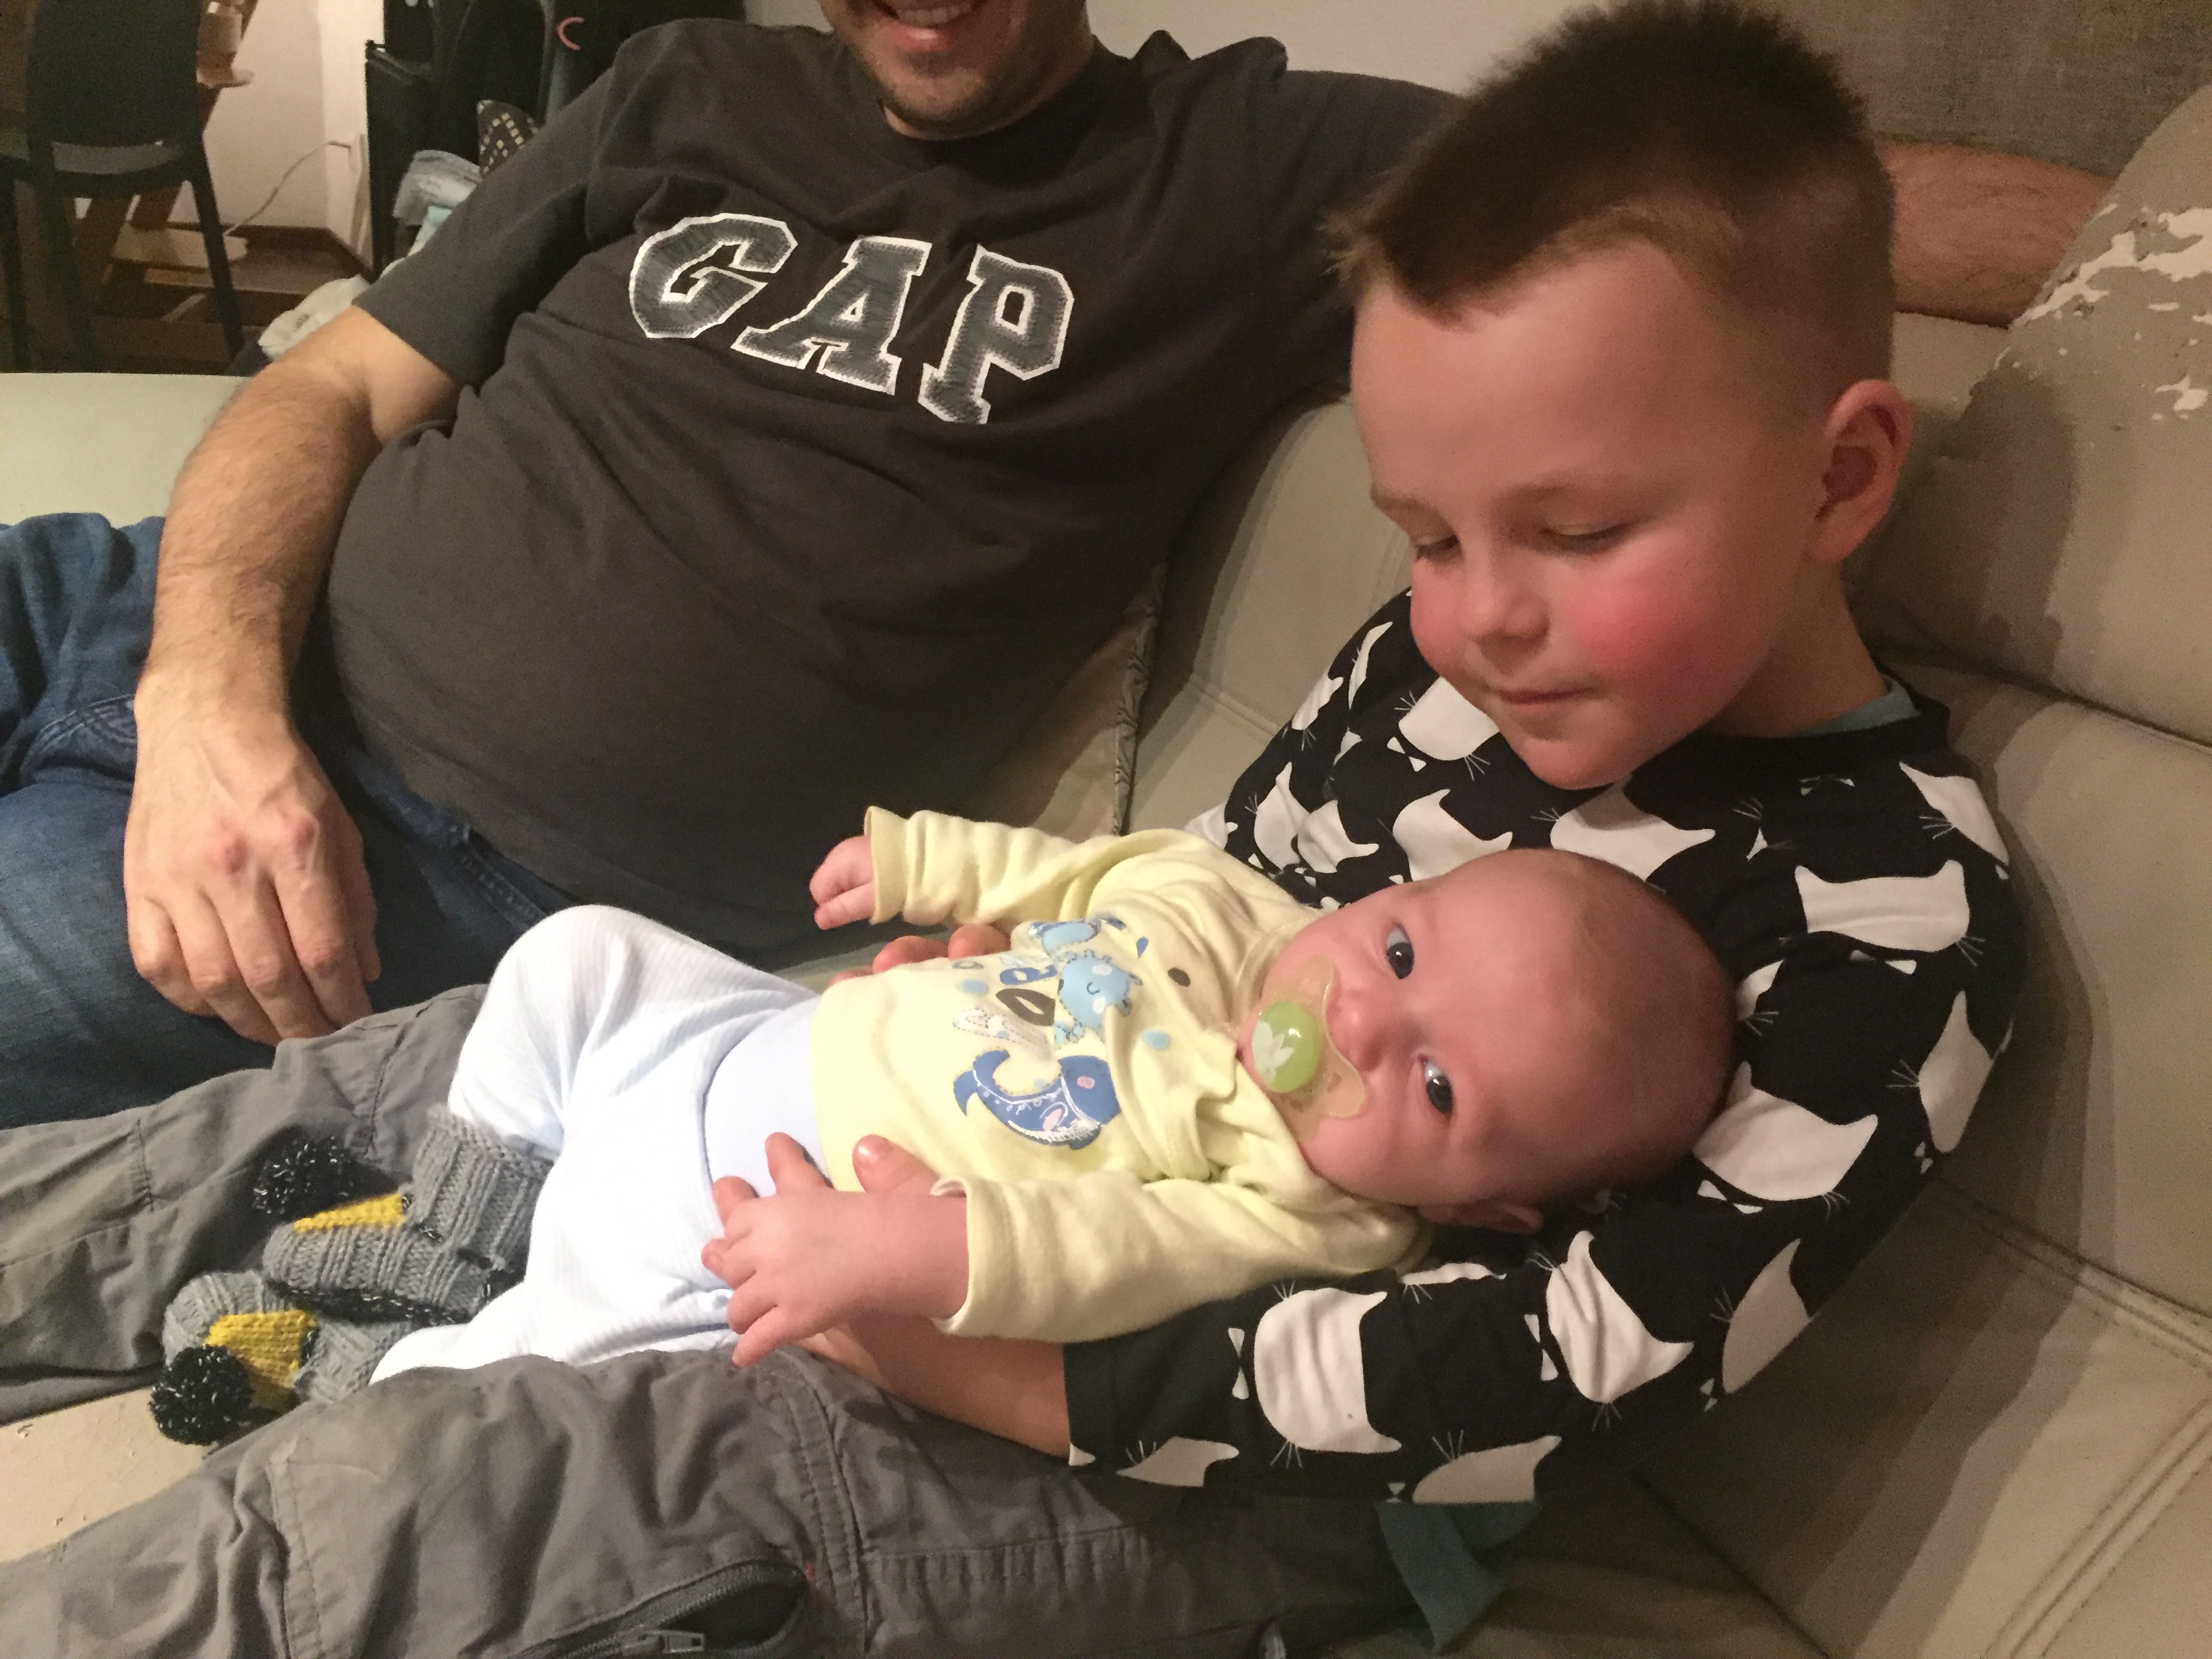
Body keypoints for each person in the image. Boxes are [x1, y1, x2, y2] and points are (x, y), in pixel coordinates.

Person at [0, 7, 2036, 1655]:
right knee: (411, 1073)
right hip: (993, 1144)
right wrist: (1019, 981)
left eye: (1574, 535)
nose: (1478, 616)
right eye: (1426, 538)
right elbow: (1218, 884)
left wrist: (942, 1341)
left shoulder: (1886, 905)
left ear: (1842, 477)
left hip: (1194, 1439)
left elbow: (1555, 1370)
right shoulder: (1450, 671)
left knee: (459, 1498)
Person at [0, 0, 2098, 1130]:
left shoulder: (1240, 164)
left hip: (420, 868)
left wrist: (2164, 249)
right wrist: (205, 689)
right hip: (160, 618)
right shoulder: (680, 82)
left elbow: (1766, 198)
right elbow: (325, 393)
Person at [145, 819, 1729, 1441]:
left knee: (548, 1358)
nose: (1368, 1024)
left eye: (1439, 1091)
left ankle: (353, 1368)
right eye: (1397, 950)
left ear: (1492, 1211)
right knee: (575, 957)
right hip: (756, 1035)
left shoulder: (1304, 1204)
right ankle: (453, 1223)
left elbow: (1111, 1251)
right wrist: (926, 862)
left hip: (759, 1214)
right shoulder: (1233, 905)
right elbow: (1085, 870)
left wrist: (903, 1251)